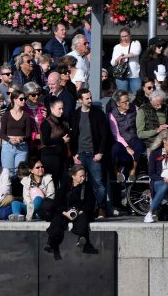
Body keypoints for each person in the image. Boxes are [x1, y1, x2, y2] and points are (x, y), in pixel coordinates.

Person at [43, 164, 98, 260]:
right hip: (66, 211)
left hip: (80, 212)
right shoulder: (65, 185)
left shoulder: (87, 186)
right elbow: (58, 202)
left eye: (84, 176)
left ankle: (82, 240)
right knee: (57, 220)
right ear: (73, 176)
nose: (83, 178)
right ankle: (50, 243)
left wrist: (79, 212)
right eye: (80, 176)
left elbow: (90, 204)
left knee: (83, 219)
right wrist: (65, 213)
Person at [70, 88, 111, 216]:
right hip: (80, 154)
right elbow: (73, 136)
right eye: (87, 98)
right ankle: (80, 208)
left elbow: (105, 135)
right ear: (80, 100)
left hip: (94, 154)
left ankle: (101, 208)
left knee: (98, 183)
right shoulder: (75, 115)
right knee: (78, 183)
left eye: (90, 97)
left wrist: (100, 153)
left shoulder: (98, 114)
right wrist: (74, 153)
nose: (90, 100)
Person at [109, 28, 141, 93]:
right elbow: (113, 62)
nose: (124, 38)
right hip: (121, 75)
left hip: (134, 75)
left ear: (129, 35)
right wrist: (119, 58)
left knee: (138, 94)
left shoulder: (135, 43)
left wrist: (124, 56)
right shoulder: (117, 47)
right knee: (122, 96)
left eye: (126, 36)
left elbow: (136, 52)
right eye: (122, 36)